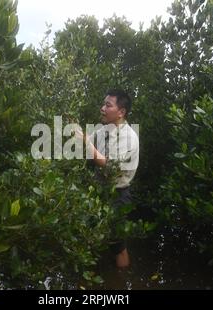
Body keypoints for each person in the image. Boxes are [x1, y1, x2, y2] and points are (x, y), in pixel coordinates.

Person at [76, 89, 139, 268]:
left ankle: (122, 280)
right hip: (100, 189)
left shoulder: (129, 138)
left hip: (118, 195)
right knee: (91, 230)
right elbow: (90, 138)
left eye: (108, 105)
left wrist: (86, 144)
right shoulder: (105, 129)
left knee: (118, 244)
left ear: (121, 112)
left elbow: (107, 164)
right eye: (103, 104)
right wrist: (78, 133)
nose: (102, 108)